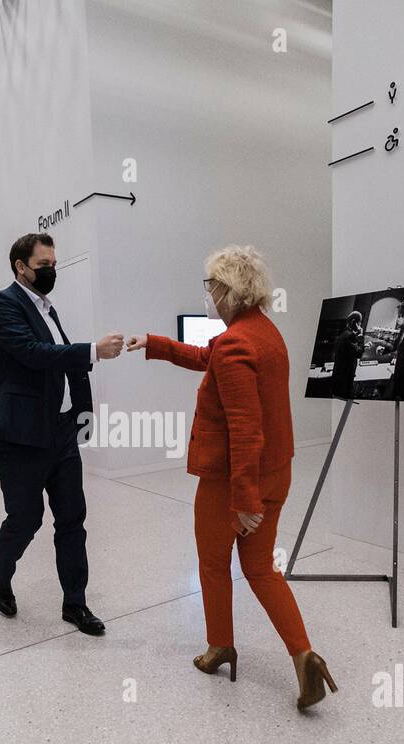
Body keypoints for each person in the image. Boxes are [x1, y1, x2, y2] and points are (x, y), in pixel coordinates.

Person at [126, 246, 336, 710]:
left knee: (213, 564)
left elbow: (245, 427)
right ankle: (305, 657)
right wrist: (155, 344)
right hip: (276, 473)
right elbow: (209, 358)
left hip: (233, 482)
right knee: (261, 569)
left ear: (228, 290)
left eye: (210, 285)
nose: (207, 294)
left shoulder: (237, 341)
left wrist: (244, 499)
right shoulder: (262, 333)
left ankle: (220, 645)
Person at [0, 232, 123, 635]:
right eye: (44, 266)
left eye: (54, 264)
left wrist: (82, 416)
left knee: (72, 520)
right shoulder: (2, 305)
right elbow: (33, 354)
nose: (51, 271)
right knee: (26, 519)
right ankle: (1, 575)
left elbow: (64, 364)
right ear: (20, 267)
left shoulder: (48, 307)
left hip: (60, 433)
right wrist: (93, 350)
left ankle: (75, 603)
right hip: (20, 437)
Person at [329, 311, 364, 401]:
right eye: (360, 322)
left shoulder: (344, 334)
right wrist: (360, 336)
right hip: (344, 380)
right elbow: (359, 354)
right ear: (355, 323)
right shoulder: (350, 336)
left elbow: (351, 351)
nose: (360, 325)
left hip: (340, 378)